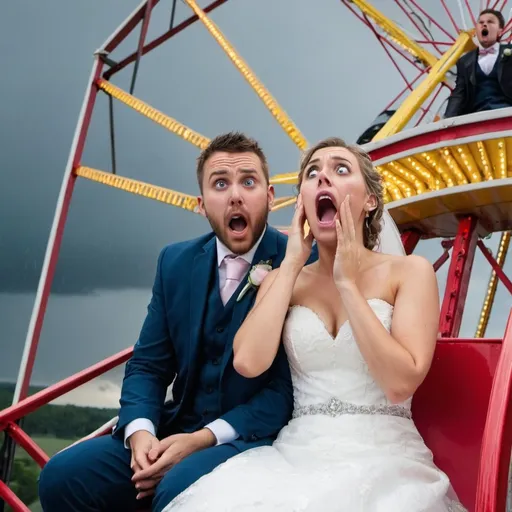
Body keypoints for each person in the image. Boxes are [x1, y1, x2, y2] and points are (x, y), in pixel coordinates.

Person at [162, 137, 467, 512]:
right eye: (312, 173)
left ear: (370, 199)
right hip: (295, 454)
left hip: (385, 456)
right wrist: (290, 265)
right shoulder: (282, 280)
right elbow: (248, 362)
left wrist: (348, 285)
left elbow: (399, 383)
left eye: (341, 169)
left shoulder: (410, 272)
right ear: (303, 201)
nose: (324, 177)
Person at [38, 132, 319, 512]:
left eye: (248, 181)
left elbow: (286, 390)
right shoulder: (174, 261)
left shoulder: (301, 261)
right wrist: (141, 433)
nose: (235, 195)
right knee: (63, 476)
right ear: (201, 205)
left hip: (247, 436)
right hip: (175, 426)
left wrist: (203, 438)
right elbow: (148, 365)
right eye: (221, 183)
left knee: (177, 493)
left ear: (270, 196)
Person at [444, 8, 512, 118]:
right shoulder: (464, 61)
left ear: (500, 31)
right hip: (477, 117)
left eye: (490, 22)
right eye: (481, 22)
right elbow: (459, 94)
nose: (484, 25)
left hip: (507, 113)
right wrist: (446, 121)